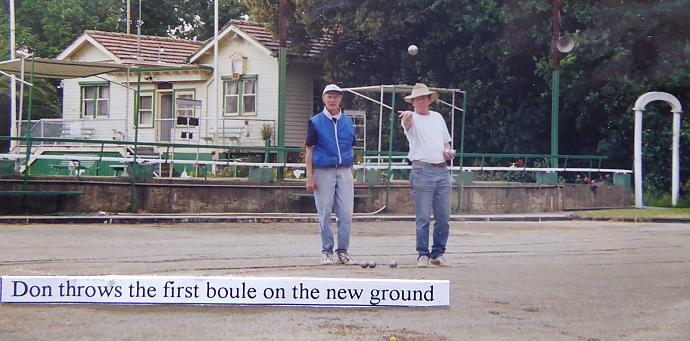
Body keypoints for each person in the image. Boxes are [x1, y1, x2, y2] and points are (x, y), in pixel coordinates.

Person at [398, 83, 453, 267]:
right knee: (423, 218)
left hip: (442, 170)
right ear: (413, 102)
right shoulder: (411, 117)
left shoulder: (437, 117)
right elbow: (408, 125)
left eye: (424, 97)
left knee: (443, 218)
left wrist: (447, 151)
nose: (421, 101)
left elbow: (447, 142)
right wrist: (406, 118)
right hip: (421, 170)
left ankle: (438, 253)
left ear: (429, 100)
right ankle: (423, 253)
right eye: (417, 98)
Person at [305, 84, 357, 265]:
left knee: (346, 213)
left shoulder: (348, 121)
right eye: (329, 96)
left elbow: (351, 148)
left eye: (336, 96)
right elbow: (309, 150)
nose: (332, 99)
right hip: (323, 171)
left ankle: (343, 250)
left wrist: (351, 173)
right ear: (324, 98)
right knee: (324, 212)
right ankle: (326, 250)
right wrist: (309, 175)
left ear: (340, 99)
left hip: (344, 171)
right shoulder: (315, 121)